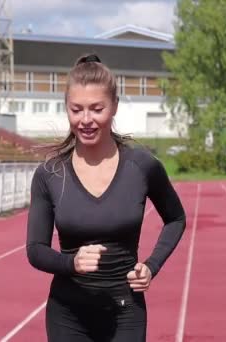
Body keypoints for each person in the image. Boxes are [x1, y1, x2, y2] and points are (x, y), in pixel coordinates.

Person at [26, 53, 187, 342]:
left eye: (96, 109)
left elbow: (176, 218)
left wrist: (152, 266)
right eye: (77, 110)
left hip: (125, 313)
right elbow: (35, 249)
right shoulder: (49, 174)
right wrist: (71, 263)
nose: (86, 120)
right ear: (67, 109)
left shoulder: (142, 166)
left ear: (113, 107)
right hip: (67, 314)